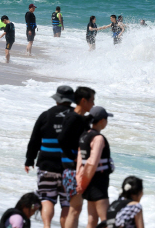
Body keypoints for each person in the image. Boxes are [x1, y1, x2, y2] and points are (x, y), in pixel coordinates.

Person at [25, 85, 74, 228]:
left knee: (47, 199)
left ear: (57, 99)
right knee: (66, 202)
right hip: (69, 167)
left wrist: (29, 159)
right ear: (71, 100)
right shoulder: (77, 117)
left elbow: (34, 140)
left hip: (47, 164)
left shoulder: (46, 115)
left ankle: (47, 226)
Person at [59, 87, 96, 228]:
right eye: (92, 100)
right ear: (83, 100)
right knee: (75, 209)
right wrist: (72, 156)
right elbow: (62, 139)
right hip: (71, 168)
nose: (93, 104)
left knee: (76, 208)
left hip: (75, 167)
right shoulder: (73, 117)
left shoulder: (79, 118)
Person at [77, 106, 115, 228]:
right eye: (106, 119)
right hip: (97, 183)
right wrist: (83, 184)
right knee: (107, 221)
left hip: (88, 182)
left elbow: (80, 161)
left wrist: (80, 181)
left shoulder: (84, 136)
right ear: (102, 121)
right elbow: (92, 163)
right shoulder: (98, 138)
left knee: (92, 220)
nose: (107, 122)